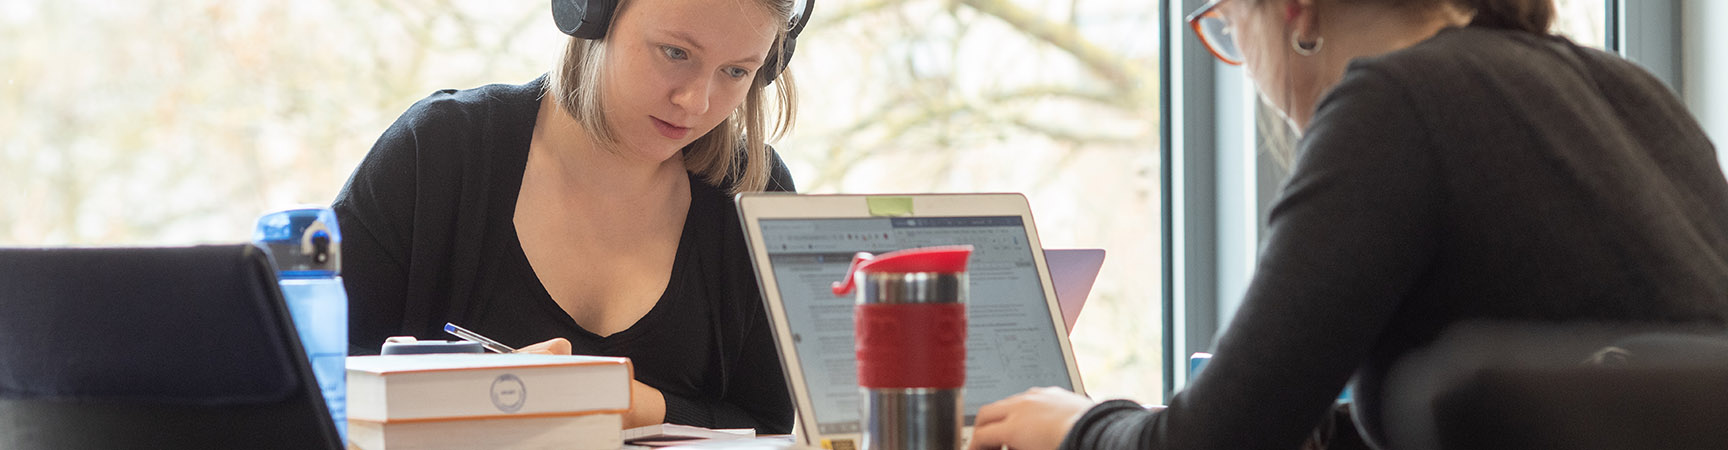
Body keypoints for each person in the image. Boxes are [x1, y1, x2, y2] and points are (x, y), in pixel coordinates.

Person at [968, 0, 1728, 449]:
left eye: (1230, 26)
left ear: (1295, 10)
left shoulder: (1396, 101)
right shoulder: (1632, 92)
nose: (1249, 71)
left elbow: (1215, 448)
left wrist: (1080, 428)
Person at [332, 0, 809, 433]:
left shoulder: (754, 191)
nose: (697, 102)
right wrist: (476, 394)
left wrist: (633, 404)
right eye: (675, 53)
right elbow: (314, 379)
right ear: (591, 12)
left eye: (735, 71)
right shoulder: (439, 150)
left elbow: (769, 424)